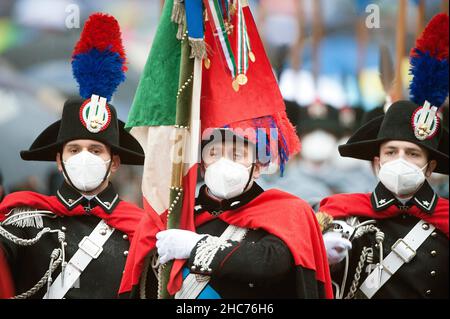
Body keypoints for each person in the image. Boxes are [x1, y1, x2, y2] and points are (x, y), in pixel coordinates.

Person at [0, 13, 145, 299]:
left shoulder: (142, 229)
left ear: (114, 162)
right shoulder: (23, 221)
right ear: (59, 159)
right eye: (74, 149)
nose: (84, 157)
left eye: (95, 150)